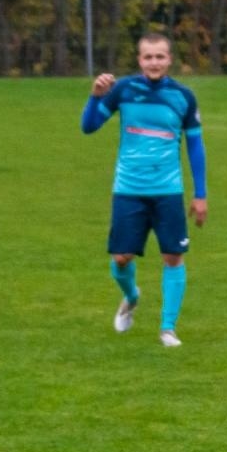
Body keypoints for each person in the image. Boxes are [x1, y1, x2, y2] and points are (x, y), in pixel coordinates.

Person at [80, 33, 207, 349]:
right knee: (121, 258)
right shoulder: (123, 89)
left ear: (169, 59)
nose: (154, 62)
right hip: (128, 189)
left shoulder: (183, 97)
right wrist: (95, 97)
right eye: (148, 57)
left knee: (172, 256)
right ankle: (131, 297)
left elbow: (195, 146)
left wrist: (200, 193)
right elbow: (89, 126)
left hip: (168, 190)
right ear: (139, 60)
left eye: (160, 56)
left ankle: (168, 328)